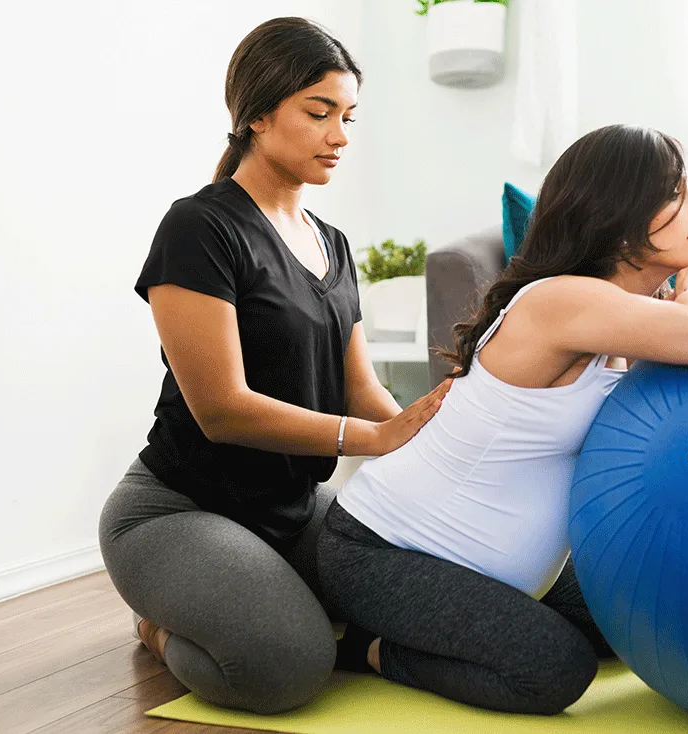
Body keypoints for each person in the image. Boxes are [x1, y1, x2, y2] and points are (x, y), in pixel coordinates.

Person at [316, 124, 688, 715]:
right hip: (385, 552)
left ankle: (457, 629)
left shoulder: (630, 316)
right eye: (676, 193)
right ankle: (376, 650)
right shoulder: (559, 301)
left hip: (503, 571)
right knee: (556, 671)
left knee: (638, 620)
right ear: (620, 214)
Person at [98, 17, 451, 715]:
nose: (340, 136)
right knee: (287, 670)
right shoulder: (200, 227)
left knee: (425, 601)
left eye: (347, 116)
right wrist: (370, 439)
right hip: (178, 511)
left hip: (292, 510)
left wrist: (436, 434)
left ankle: (294, 611)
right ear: (256, 115)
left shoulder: (335, 243)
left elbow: (360, 388)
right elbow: (221, 409)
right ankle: (156, 624)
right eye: (319, 113)